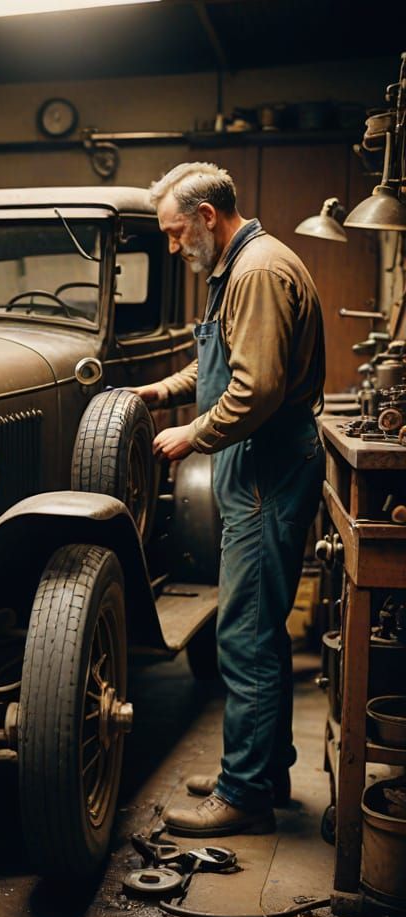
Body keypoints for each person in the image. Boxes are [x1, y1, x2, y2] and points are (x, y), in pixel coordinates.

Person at [133, 162, 326, 837]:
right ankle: (264, 768)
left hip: (265, 464)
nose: (173, 245)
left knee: (243, 633)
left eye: (175, 232)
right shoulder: (236, 268)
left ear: (207, 218)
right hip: (255, 461)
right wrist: (160, 393)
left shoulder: (257, 272)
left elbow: (256, 388)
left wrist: (194, 434)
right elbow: (217, 364)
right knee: (259, 626)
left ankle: (245, 795)